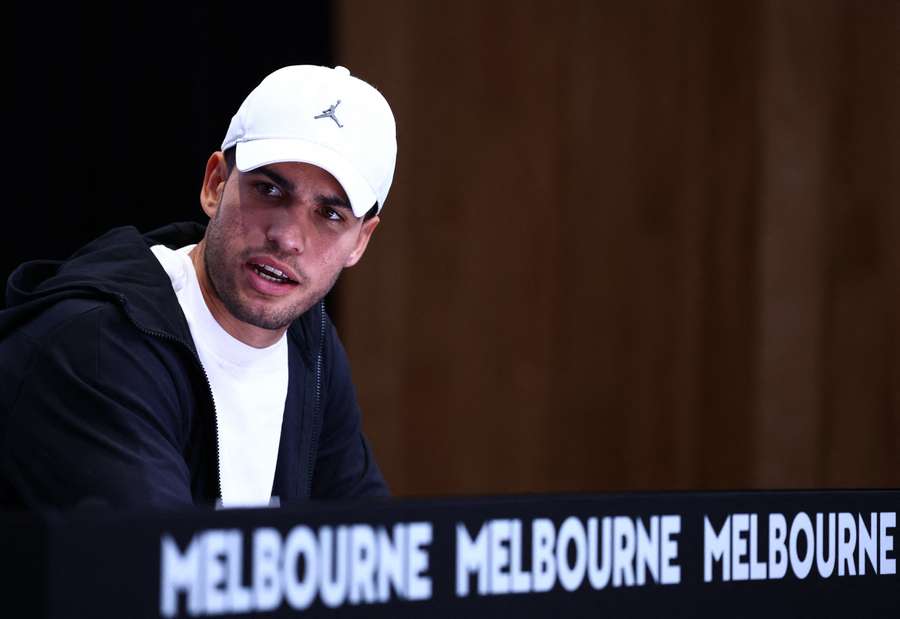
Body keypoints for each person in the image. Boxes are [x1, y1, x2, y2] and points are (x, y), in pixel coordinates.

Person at [0, 65, 395, 510]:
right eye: (268, 190)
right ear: (215, 184)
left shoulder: (309, 338)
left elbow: (369, 550)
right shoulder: (95, 345)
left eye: (330, 215)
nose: (288, 238)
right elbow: (165, 568)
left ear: (360, 241)